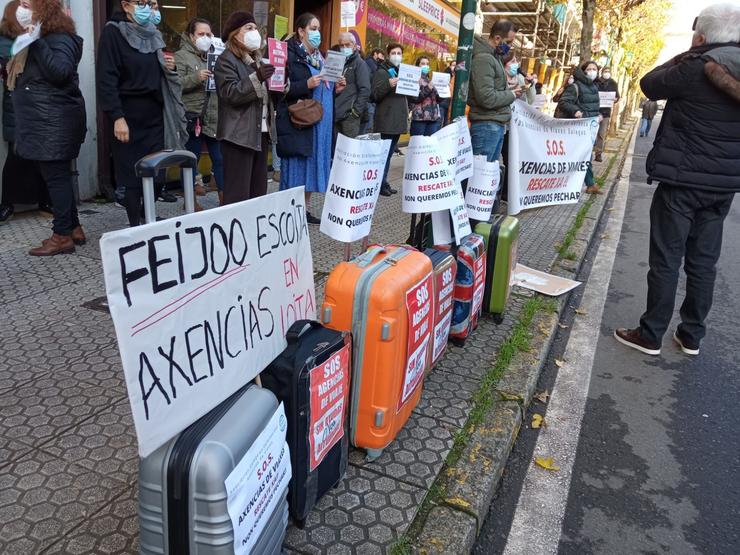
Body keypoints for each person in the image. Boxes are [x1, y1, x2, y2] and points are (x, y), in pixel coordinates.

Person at [614, 3, 740, 357]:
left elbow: (649, 84)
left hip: (683, 181)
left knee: (667, 259)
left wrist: (692, 51)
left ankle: (650, 333)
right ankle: (691, 336)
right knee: (704, 262)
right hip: (723, 185)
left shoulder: (695, 67)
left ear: (701, 36)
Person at [97, 0, 188, 227]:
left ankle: (147, 215)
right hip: (128, 115)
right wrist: (117, 117)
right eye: (142, 2)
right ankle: (135, 224)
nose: (148, 7)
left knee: (157, 172)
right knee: (132, 176)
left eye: (152, 3)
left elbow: (162, 71)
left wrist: (171, 68)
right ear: (126, 6)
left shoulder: (154, 33)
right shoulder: (113, 32)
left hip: (156, 114)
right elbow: (106, 79)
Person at [10, 0, 86, 255]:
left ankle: (62, 235)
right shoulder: (51, 38)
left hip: (53, 122)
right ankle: (73, 227)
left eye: (26, 3)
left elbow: (61, 72)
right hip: (47, 121)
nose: (21, 6)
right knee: (58, 176)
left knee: (56, 178)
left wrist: (37, 40)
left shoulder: (58, 39)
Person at [276, 12, 334, 224]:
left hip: (318, 124)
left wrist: (337, 89)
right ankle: (288, 214)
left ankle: (303, 210)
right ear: (301, 31)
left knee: (310, 168)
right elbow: (278, 89)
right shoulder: (288, 54)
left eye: (318, 29)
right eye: (313, 28)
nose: (317, 33)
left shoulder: (319, 57)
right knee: (297, 168)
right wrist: (305, 85)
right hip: (299, 122)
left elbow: (324, 87)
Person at [214, 11, 275, 204]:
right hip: (238, 137)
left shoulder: (257, 60)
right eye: (249, 28)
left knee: (258, 191)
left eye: (255, 28)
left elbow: (269, 98)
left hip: (260, 133)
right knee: (237, 194)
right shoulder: (226, 60)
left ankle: (253, 232)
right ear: (235, 34)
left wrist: (282, 82)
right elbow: (230, 93)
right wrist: (257, 78)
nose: (254, 32)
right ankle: (233, 233)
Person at [0, 0, 49, 223]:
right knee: (16, 153)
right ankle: (8, 202)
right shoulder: (5, 38)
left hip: (39, 100)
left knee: (42, 153)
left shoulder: (44, 34)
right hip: (16, 101)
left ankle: (44, 199)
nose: (26, 12)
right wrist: (25, 41)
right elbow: (9, 56)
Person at [175, 17, 222, 207]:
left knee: (219, 158)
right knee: (189, 161)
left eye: (208, 34)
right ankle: (190, 201)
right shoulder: (181, 56)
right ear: (191, 36)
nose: (205, 38)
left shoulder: (217, 55)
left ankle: (224, 199)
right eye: (201, 34)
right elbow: (175, 85)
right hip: (192, 115)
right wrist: (196, 77)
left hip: (214, 115)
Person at [468, 19, 522, 163]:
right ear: (497, 38)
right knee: (480, 177)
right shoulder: (484, 59)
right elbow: (486, 97)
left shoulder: (494, 57)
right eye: (509, 42)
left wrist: (510, 91)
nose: (510, 47)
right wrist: (511, 94)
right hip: (486, 125)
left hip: (493, 124)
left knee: (487, 175)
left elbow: (491, 89)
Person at [556, 60, 603, 194]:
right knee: (581, 156)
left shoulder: (594, 87)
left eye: (595, 69)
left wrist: (598, 115)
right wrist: (575, 111)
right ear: (584, 71)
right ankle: (588, 184)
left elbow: (593, 107)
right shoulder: (575, 86)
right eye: (589, 69)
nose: (592, 71)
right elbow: (564, 102)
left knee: (585, 155)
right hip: (577, 128)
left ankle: (590, 184)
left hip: (590, 128)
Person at [372, 43, 408, 197]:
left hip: (397, 119)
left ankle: (384, 182)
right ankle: (379, 184)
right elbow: (374, 95)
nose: (396, 55)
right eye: (393, 52)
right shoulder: (382, 72)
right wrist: (388, 84)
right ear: (388, 54)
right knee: (384, 155)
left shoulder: (403, 72)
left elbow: (412, 96)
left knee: (389, 154)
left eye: (399, 52)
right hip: (386, 120)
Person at [333, 32, 370, 145]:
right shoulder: (338, 63)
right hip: (336, 114)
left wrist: (355, 112)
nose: (344, 48)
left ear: (354, 46)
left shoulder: (359, 63)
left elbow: (365, 89)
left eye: (347, 45)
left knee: (349, 150)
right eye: (341, 45)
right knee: (337, 152)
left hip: (350, 117)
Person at [409, 55, 442, 137]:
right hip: (420, 118)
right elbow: (414, 98)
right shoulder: (414, 79)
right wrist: (428, 88)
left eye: (427, 64)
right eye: (422, 63)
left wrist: (442, 92)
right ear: (418, 65)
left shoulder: (430, 80)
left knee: (428, 146)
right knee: (417, 146)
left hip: (433, 118)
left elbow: (437, 100)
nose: (425, 66)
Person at [595, 67, 620, 161]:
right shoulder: (596, 82)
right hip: (594, 111)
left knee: (601, 133)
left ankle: (598, 153)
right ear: (602, 73)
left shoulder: (613, 83)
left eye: (608, 72)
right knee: (591, 132)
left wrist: (615, 99)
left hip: (605, 112)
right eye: (605, 71)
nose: (607, 73)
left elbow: (617, 96)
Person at [361, 48, 384, 135]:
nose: (383, 58)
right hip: (369, 101)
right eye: (381, 55)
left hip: (370, 100)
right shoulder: (371, 64)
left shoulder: (374, 64)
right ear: (375, 54)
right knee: (367, 129)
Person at [439, 59, 456, 126]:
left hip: (450, 104)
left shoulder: (455, 77)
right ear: (450, 66)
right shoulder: (445, 75)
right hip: (444, 102)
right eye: (453, 65)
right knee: (440, 121)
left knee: (446, 122)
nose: (454, 67)